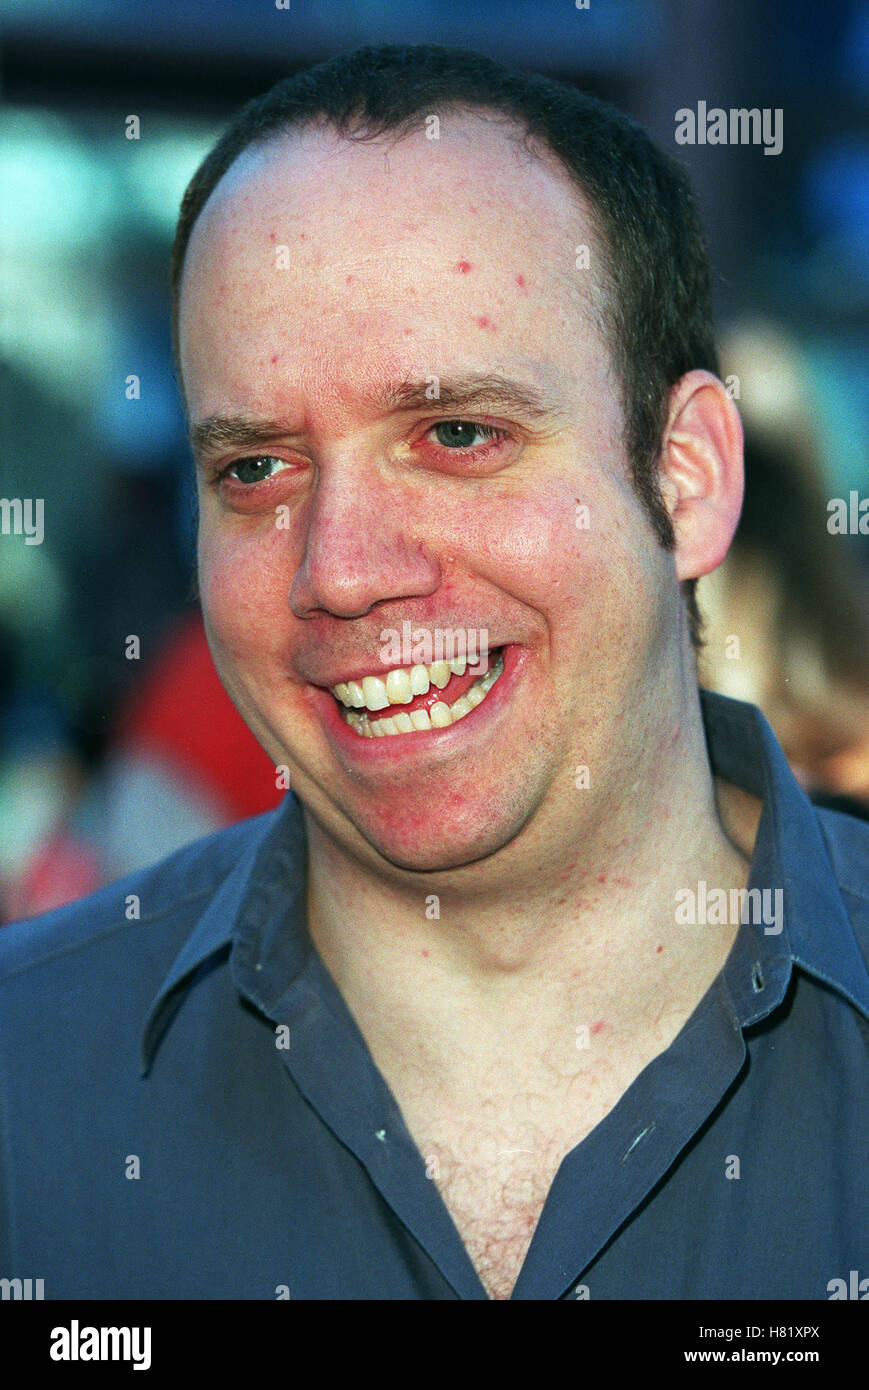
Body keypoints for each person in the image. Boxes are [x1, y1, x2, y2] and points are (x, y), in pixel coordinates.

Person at [1, 44, 867, 1303]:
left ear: (685, 478)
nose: (340, 570)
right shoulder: (30, 1093)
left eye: (456, 435)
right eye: (255, 469)